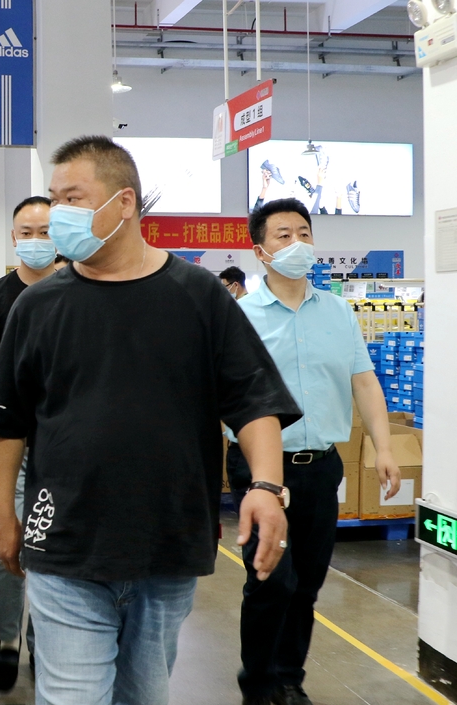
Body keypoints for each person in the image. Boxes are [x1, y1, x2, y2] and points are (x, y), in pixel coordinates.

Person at [0, 135, 302, 705]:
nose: (58, 214)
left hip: (168, 542)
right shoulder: (39, 305)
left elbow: (253, 401)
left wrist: (268, 487)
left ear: (124, 202)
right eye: (55, 199)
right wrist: (3, 517)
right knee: (73, 697)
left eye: (73, 199)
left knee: (145, 694)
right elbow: (7, 421)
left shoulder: (198, 296)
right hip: (65, 541)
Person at [228, 198, 402, 705]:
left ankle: (289, 679)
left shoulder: (338, 312)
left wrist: (384, 447)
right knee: (270, 580)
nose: (297, 243)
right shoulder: (239, 317)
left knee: (305, 584)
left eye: (304, 233)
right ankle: (258, 684)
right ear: (260, 250)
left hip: (321, 467)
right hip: (262, 472)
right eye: (283, 235)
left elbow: (364, 382)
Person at [0, 195, 55, 691]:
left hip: (62, 447)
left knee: (52, 550)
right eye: (27, 232)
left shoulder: (79, 289)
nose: (36, 240)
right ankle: (7, 638)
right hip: (8, 446)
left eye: (46, 231)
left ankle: (42, 639)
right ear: (14, 237)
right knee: (5, 545)